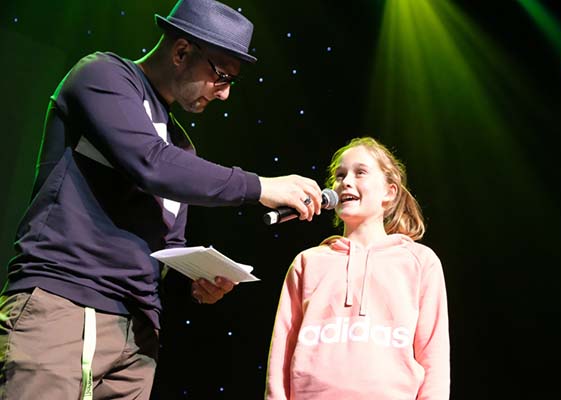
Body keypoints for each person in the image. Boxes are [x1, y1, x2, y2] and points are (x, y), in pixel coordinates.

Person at [0, 0, 323, 398]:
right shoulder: (103, 75)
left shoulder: (181, 147)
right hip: (66, 302)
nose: (224, 95)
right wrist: (259, 186)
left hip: (136, 336)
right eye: (221, 76)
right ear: (181, 51)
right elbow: (150, 164)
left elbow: (167, 245)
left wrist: (197, 278)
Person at [265, 137, 450, 399]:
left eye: (360, 172)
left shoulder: (419, 262)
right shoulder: (308, 262)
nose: (346, 182)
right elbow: (281, 352)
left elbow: (434, 356)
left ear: (390, 192)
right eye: (339, 176)